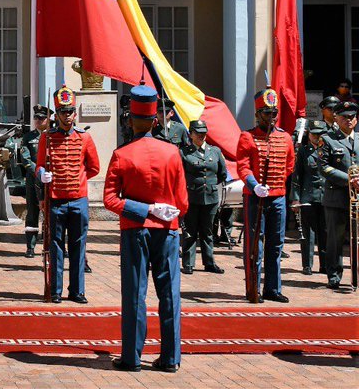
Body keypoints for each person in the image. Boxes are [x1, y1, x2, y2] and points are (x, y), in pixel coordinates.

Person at [103, 85, 188, 373]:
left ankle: (132, 357)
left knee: (135, 294)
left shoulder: (122, 154)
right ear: (155, 120)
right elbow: (183, 202)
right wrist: (162, 210)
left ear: (130, 120)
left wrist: (144, 210)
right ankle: (171, 358)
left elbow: (110, 199)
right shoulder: (172, 152)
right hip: (167, 229)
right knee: (170, 294)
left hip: (135, 228)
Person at [36, 86, 100, 304]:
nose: (67, 116)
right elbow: (39, 166)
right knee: (55, 246)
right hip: (56, 200)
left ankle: (77, 290)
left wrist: (78, 178)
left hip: (78, 199)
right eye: (63, 112)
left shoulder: (85, 137)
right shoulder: (47, 137)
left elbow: (94, 167)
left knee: (78, 246)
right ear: (57, 114)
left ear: (75, 113)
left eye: (70, 111)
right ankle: (55, 290)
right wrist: (42, 174)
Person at [236, 88, 296, 303]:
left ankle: (273, 288)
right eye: (266, 113)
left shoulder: (285, 138)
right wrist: (254, 185)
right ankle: (253, 287)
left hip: (277, 196)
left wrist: (273, 186)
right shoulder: (247, 137)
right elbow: (243, 167)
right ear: (257, 114)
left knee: (276, 244)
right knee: (255, 245)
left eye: (274, 113)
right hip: (255, 198)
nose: (271, 117)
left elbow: (289, 166)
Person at [318, 101, 358, 290]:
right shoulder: (327, 139)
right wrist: (349, 179)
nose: (348, 120)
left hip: (357, 198)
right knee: (335, 239)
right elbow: (324, 167)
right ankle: (334, 276)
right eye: (344, 117)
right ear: (337, 118)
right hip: (336, 198)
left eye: (352, 117)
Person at [179, 119, 227, 274]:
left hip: (210, 197)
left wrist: (210, 186)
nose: (201, 136)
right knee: (190, 231)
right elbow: (179, 175)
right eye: (198, 133)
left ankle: (209, 262)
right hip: (192, 197)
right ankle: (188, 263)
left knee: (208, 231)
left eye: (204, 133)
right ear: (190, 134)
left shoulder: (215, 151)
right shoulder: (184, 152)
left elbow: (222, 173)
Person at [292, 120, 330, 277]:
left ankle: (325, 265)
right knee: (308, 233)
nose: (317, 137)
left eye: (320, 134)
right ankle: (307, 265)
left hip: (326, 196)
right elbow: (297, 176)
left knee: (325, 232)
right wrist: (295, 198)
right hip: (308, 196)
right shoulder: (303, 151)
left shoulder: (329, 149)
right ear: (309, 134)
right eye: (314, 134)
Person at [17, 105, 52, 258]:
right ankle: (30, 247)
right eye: (36, 118)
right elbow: (25, 159)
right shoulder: (28, 137)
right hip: (34, 180)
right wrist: (38, 172)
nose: (38, 120)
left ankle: (54, 245)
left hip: (50, 180)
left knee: (52, 213)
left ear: (48, 119)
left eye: (41, 118)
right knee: (32, 212)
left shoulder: (53, 135)